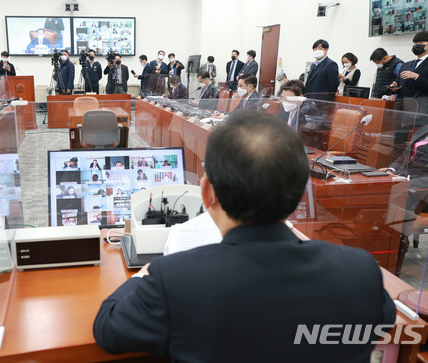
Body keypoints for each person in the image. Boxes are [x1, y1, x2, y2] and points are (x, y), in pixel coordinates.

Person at [93, 111, 396, 362]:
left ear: (207, 192)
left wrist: (143, 274)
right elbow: (382, 319)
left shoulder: (174, 279)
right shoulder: (359, 270)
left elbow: (108, 328)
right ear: (300, 192)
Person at [385, 86, 428, 196]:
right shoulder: (426, 128)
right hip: (398, 182)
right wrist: (391, 171)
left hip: (422, 193)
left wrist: (406, 183)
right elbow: (405, 155)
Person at [389, 31, 428, 118]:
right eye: (415, 43)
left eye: (421, 43)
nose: (416, 45)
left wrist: (417, 77)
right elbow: (399, 84)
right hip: (401, 109)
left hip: (420, 109)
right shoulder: (406, 65)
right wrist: (395, 87)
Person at [276, 80, 323, 148]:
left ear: (300, 97)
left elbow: (304, 136)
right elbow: (276, 124)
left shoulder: (309, 109)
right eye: (283, 98)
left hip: (306, 149)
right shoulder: (284, 107)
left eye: (289, 99)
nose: (285, 102)